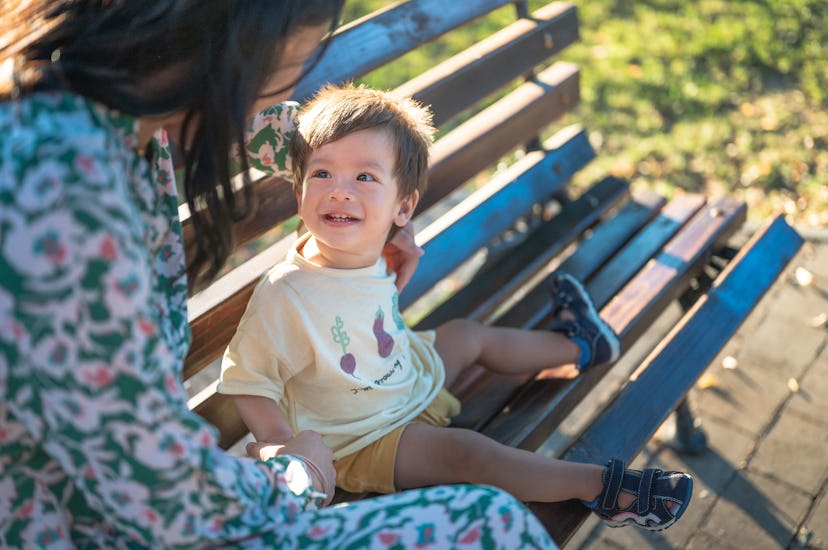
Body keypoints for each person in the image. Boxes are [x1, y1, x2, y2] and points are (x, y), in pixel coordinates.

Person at [0, 2, 559, 548]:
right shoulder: (60, 200)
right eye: (286, 69)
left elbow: (285, 138)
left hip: (130, 493)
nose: (283, 90)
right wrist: (297, 480)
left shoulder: (103, 107)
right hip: (80, 527)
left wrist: (375, 201)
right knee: (490, 525)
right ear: (227, 52)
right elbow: (164, 499)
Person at [219, 84, 695, 533]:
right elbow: (249, 378)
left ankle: (581, 346)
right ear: (299, 190)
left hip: (406, 376)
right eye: (322, 173)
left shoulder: (371, 246)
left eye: (364, 177)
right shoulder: (287, 292)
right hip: (361, 440)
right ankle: (605, 489)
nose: (340, 190)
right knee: (466, 453)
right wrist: (289, 451)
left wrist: (395, 238)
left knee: (467, 335)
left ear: (402, 208)